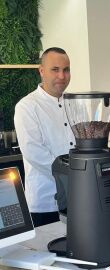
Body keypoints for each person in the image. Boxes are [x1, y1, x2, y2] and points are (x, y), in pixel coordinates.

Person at [14, 47, 75, 227]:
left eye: (66, 70)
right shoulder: (27, 106)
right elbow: (35, 153)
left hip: (76, 199)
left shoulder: (74, 103)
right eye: (55, 70)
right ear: (42, 71)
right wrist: (75, 176)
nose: (62, 76)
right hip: (45, 202)